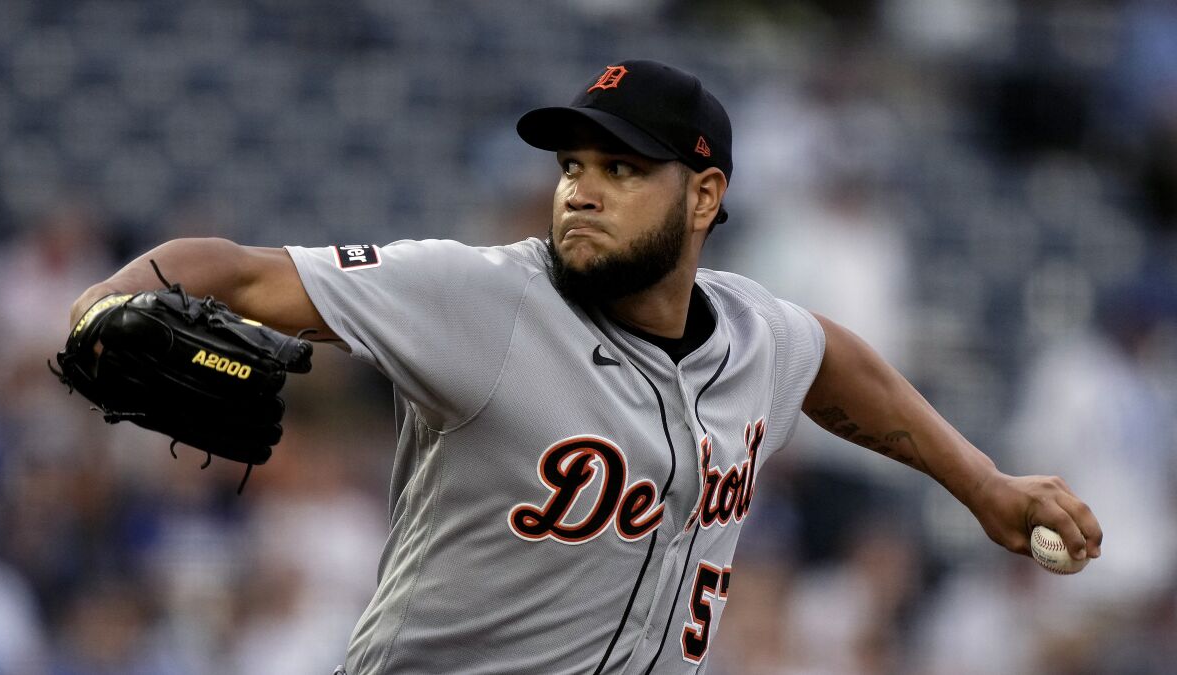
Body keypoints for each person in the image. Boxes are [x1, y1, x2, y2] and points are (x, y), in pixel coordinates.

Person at [67, 60, 1102, 674]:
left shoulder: (751, 332)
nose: (582, 191)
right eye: (571, 167)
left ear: (703, 196)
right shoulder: (480, 297)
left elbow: (837, 366)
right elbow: (237, 273)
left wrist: (985, 484)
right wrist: (101, 303)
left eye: (621, 169)